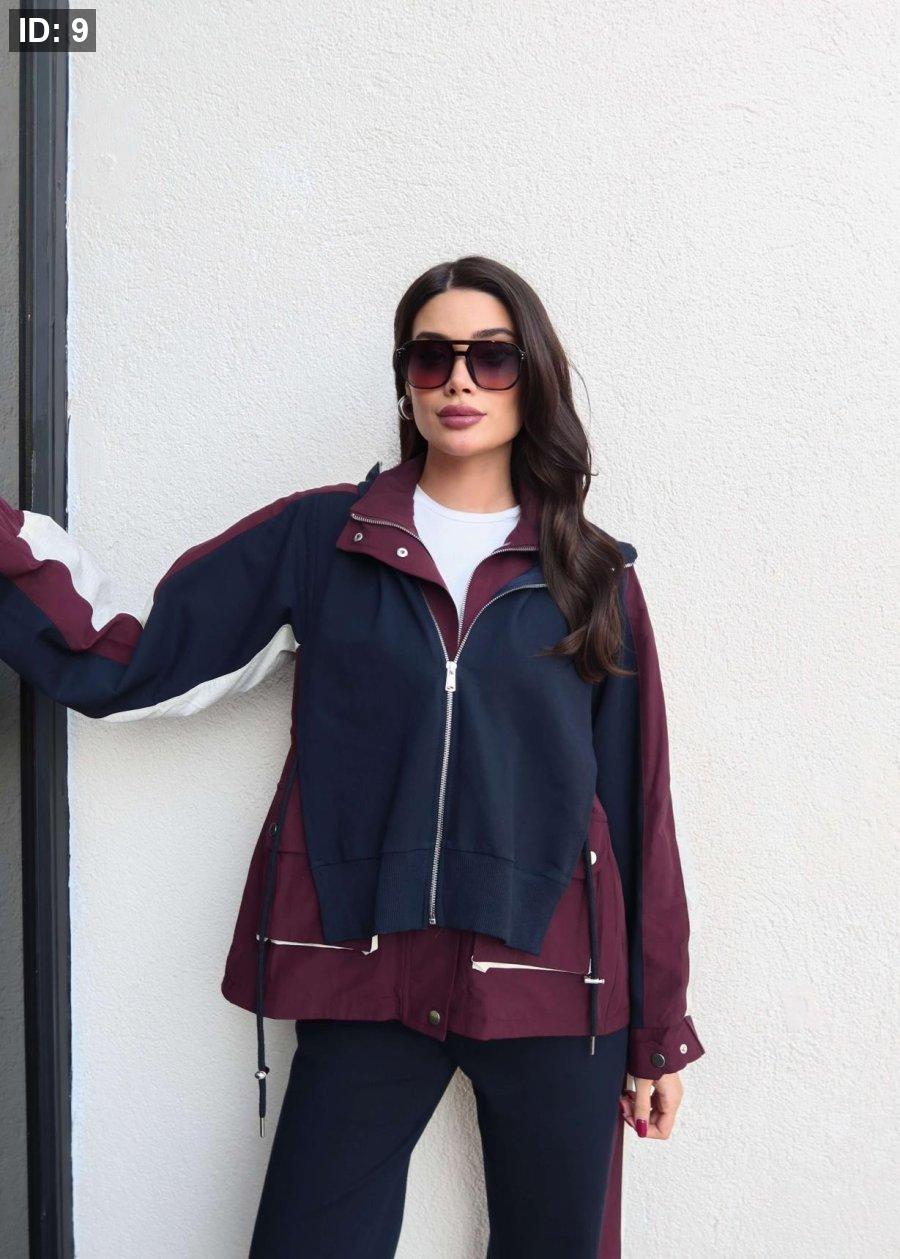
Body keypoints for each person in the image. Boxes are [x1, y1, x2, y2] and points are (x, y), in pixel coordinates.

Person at [0, 255, 704, 1258]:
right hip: (367, 968)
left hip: (553, 982)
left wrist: (658, 1030)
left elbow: (638, 806)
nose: (459, 380)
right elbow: (144, 660)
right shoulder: (324, 538)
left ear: (532, 377)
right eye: (432, 355)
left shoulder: (591, 575)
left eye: (492, 357)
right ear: (406, 379)